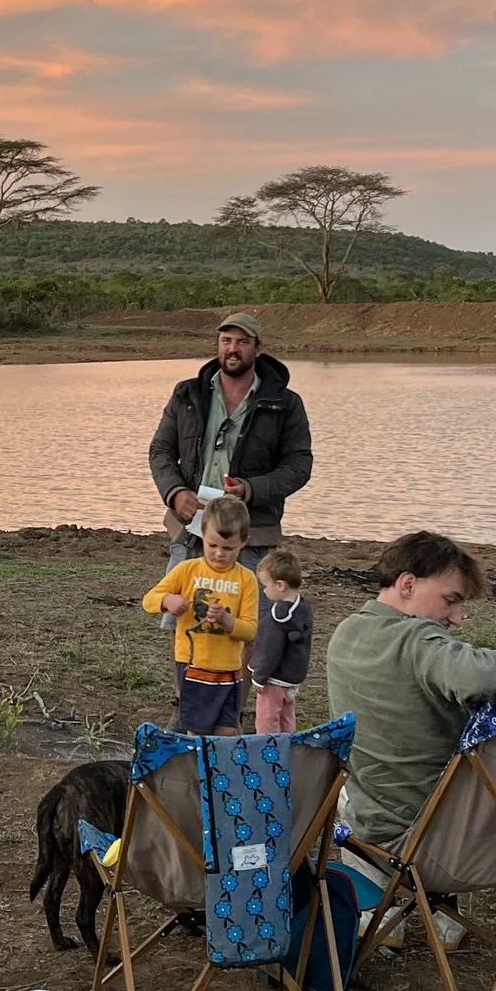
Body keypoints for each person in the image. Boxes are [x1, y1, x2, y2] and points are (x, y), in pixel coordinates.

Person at [326, 530, 496, 851]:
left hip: (371, 822)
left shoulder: (345, 632)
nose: (457, 619)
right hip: (434, 834)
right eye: (450, 600)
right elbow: (473, 677)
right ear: (408, 584)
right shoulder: (417, 639)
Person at [148, 314, 312, 570]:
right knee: (177, 608)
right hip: (191, 531)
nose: (233, 349)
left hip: (251, 538)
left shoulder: (286, 404)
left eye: (243, 342)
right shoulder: (186, 393)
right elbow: (161, 451)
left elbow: (299, 466)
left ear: (258, 348)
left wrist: (250, 489)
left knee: (245, 611)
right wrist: (175, 493)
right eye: (226, 340)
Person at [143, 495, 261, 738]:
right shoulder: (187, 569)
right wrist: (168, 601)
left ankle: (222, 773)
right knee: (197, 731)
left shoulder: (246, 578)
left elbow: (250, 631)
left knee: (228, 731)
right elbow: (149, 600)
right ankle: (197, 774)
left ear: (243, 542)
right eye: (212, 545)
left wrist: (228, 622)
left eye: (228, 548)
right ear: (202, 535)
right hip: (192, 665)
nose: (219, 554)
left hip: (229, 668)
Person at [248, 547, 314, 737]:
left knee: (267, 719)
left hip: (273, 679)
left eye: (265, 586)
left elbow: (270, 651)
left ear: (280, 585)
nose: (263, 590)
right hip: (292, 677)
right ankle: (288, 744)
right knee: (287, 715)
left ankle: (268, 751)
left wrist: (259, 676)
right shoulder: (302, 608)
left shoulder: (276, 619)